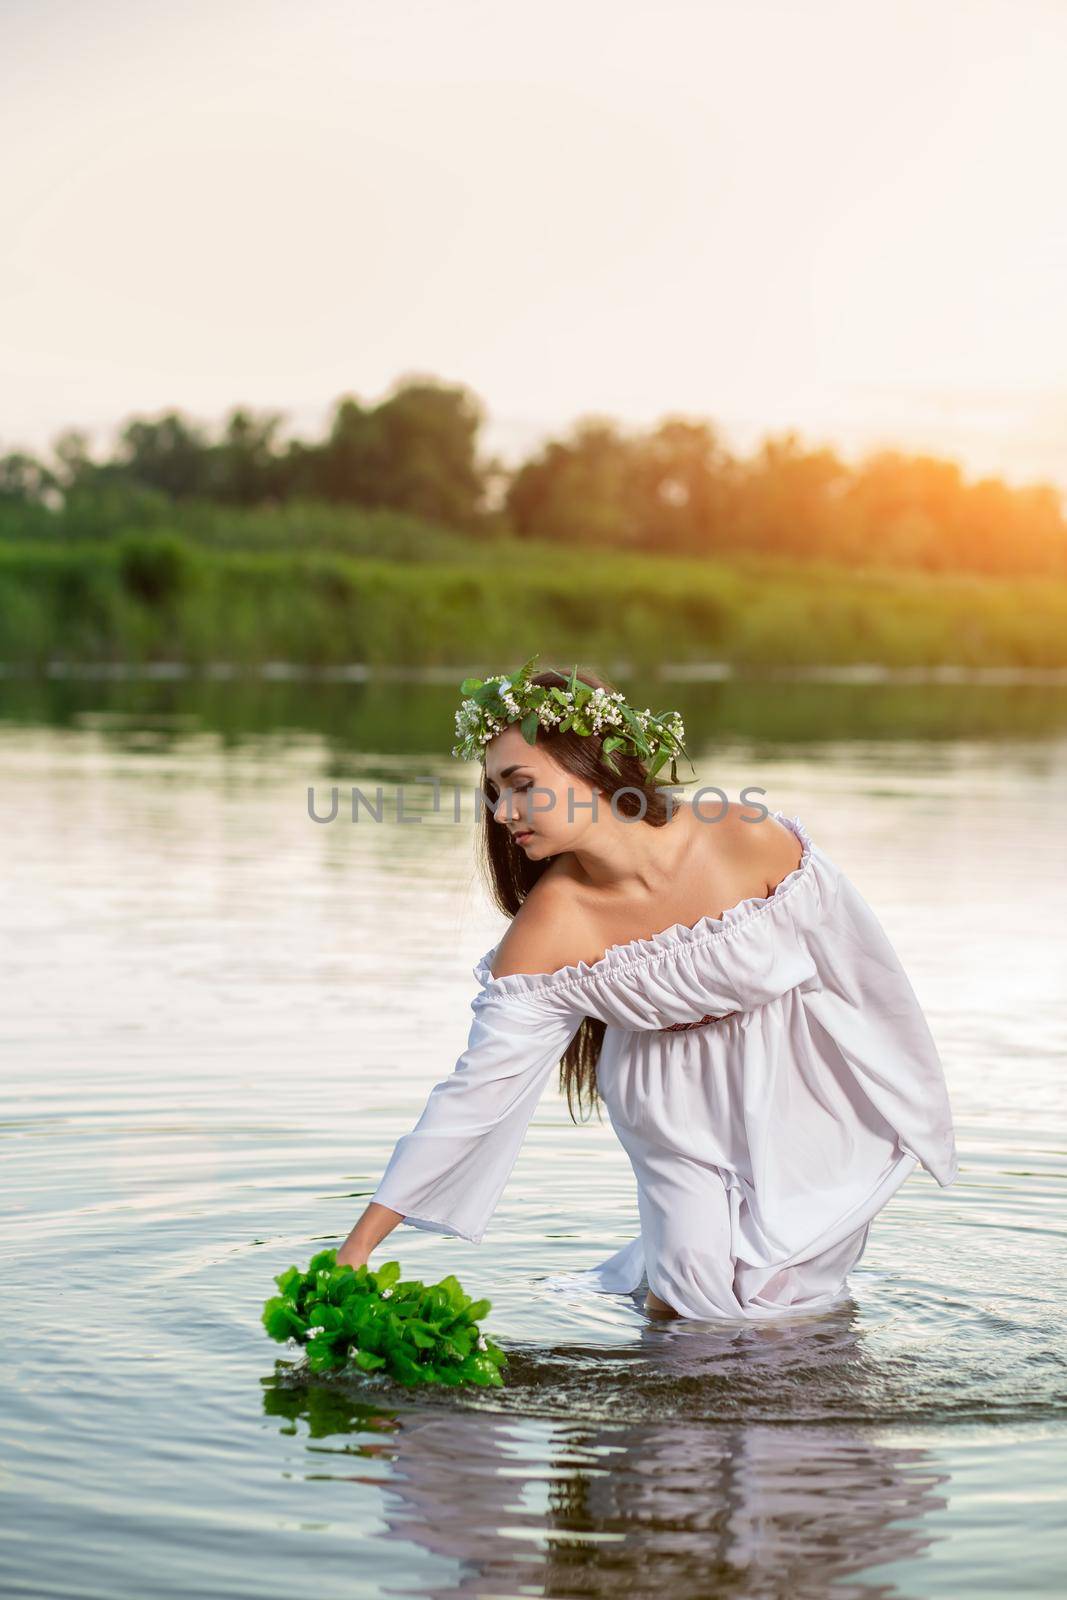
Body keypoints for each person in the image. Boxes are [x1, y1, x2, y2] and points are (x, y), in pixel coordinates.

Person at [336, 656, 958, 1320]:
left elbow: (859, 967)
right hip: (666, 1104)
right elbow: (472, 1098)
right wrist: (357, 1249)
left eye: (519, 784)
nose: (501, 811)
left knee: (789, 1305)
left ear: (591, 763)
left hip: (791, 1085)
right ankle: (668, 1398)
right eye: (492, 791)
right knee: (688, 1302)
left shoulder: (743, 835)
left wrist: (900, 1096)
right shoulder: (548, 930)